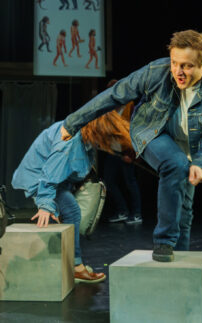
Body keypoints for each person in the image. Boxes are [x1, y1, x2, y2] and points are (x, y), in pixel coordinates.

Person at [61, 29, 202, 262]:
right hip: (152, 131)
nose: (178, 72)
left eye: (187, 66)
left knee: (184, 210)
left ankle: (181, 262)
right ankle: (164, 242)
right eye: (174, 63)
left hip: (190, 145)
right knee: (175, 164)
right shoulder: (156, 71)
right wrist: (73, 122)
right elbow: (115, 95)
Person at [12, 111, 133, 283]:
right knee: (72, 211)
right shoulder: (70, 140)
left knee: (66, 216)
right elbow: (50, 173)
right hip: (40, 179)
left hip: (54, 179)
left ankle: (66, 265)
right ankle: (76, 267)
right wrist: (45, 203)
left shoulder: (83, 134)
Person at [102, 80, 142, 224]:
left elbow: (136, 131)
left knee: (130, 182)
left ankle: (137, 213)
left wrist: (131, 154)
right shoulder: (110, 109)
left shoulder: (130, 107)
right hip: (113, 151)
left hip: (126, 152)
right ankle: (122, 210)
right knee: (109, 181)